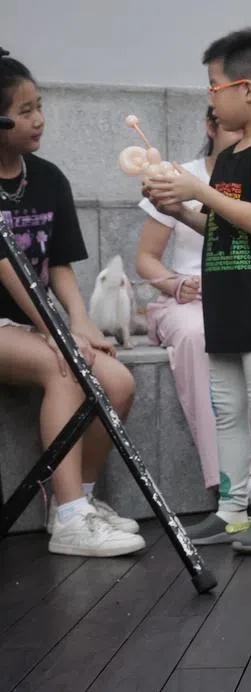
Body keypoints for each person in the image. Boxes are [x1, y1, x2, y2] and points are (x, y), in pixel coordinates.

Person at [144, 27, 251, 552]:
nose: (210, 99)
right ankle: (233, 510)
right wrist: (182, 211)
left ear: (247, 90)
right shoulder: (233, 155)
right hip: (227, 309)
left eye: (215, 86)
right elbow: (223, 228)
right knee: (228, 412)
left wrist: (197, 191)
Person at [0, 49, 144, 557]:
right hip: (11, 326)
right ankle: (68, 521)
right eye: (24, 110)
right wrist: (62, 337)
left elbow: (58, 265)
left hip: (35, 325)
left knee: (119, 382)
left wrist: (81, 323)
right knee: (63, 368)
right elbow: (10, 270)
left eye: (40, 105)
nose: (38, 119)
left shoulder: (47, 178)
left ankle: (78, 503)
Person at [133, 107, 251, 511]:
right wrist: (176, 284)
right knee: (198, 335)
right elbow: (146, 259)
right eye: (231, 128)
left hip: (242, 297)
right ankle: (239, 481)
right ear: (210, 126)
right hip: (187, 300)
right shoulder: (179, 176)